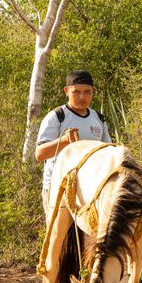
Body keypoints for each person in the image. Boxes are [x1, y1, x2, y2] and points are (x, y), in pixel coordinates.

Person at [35, 69, 111, 223]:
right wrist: (63, 141)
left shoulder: (98, 119)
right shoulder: (57, 117)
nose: (82, 97)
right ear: (67, 91)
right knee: (59, 238)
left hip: (90, 188)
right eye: (76, 92)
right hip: (59, 187)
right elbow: (39, 154)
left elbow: (107, 151)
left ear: (93, 92)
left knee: (88, 239)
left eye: (87, 92)